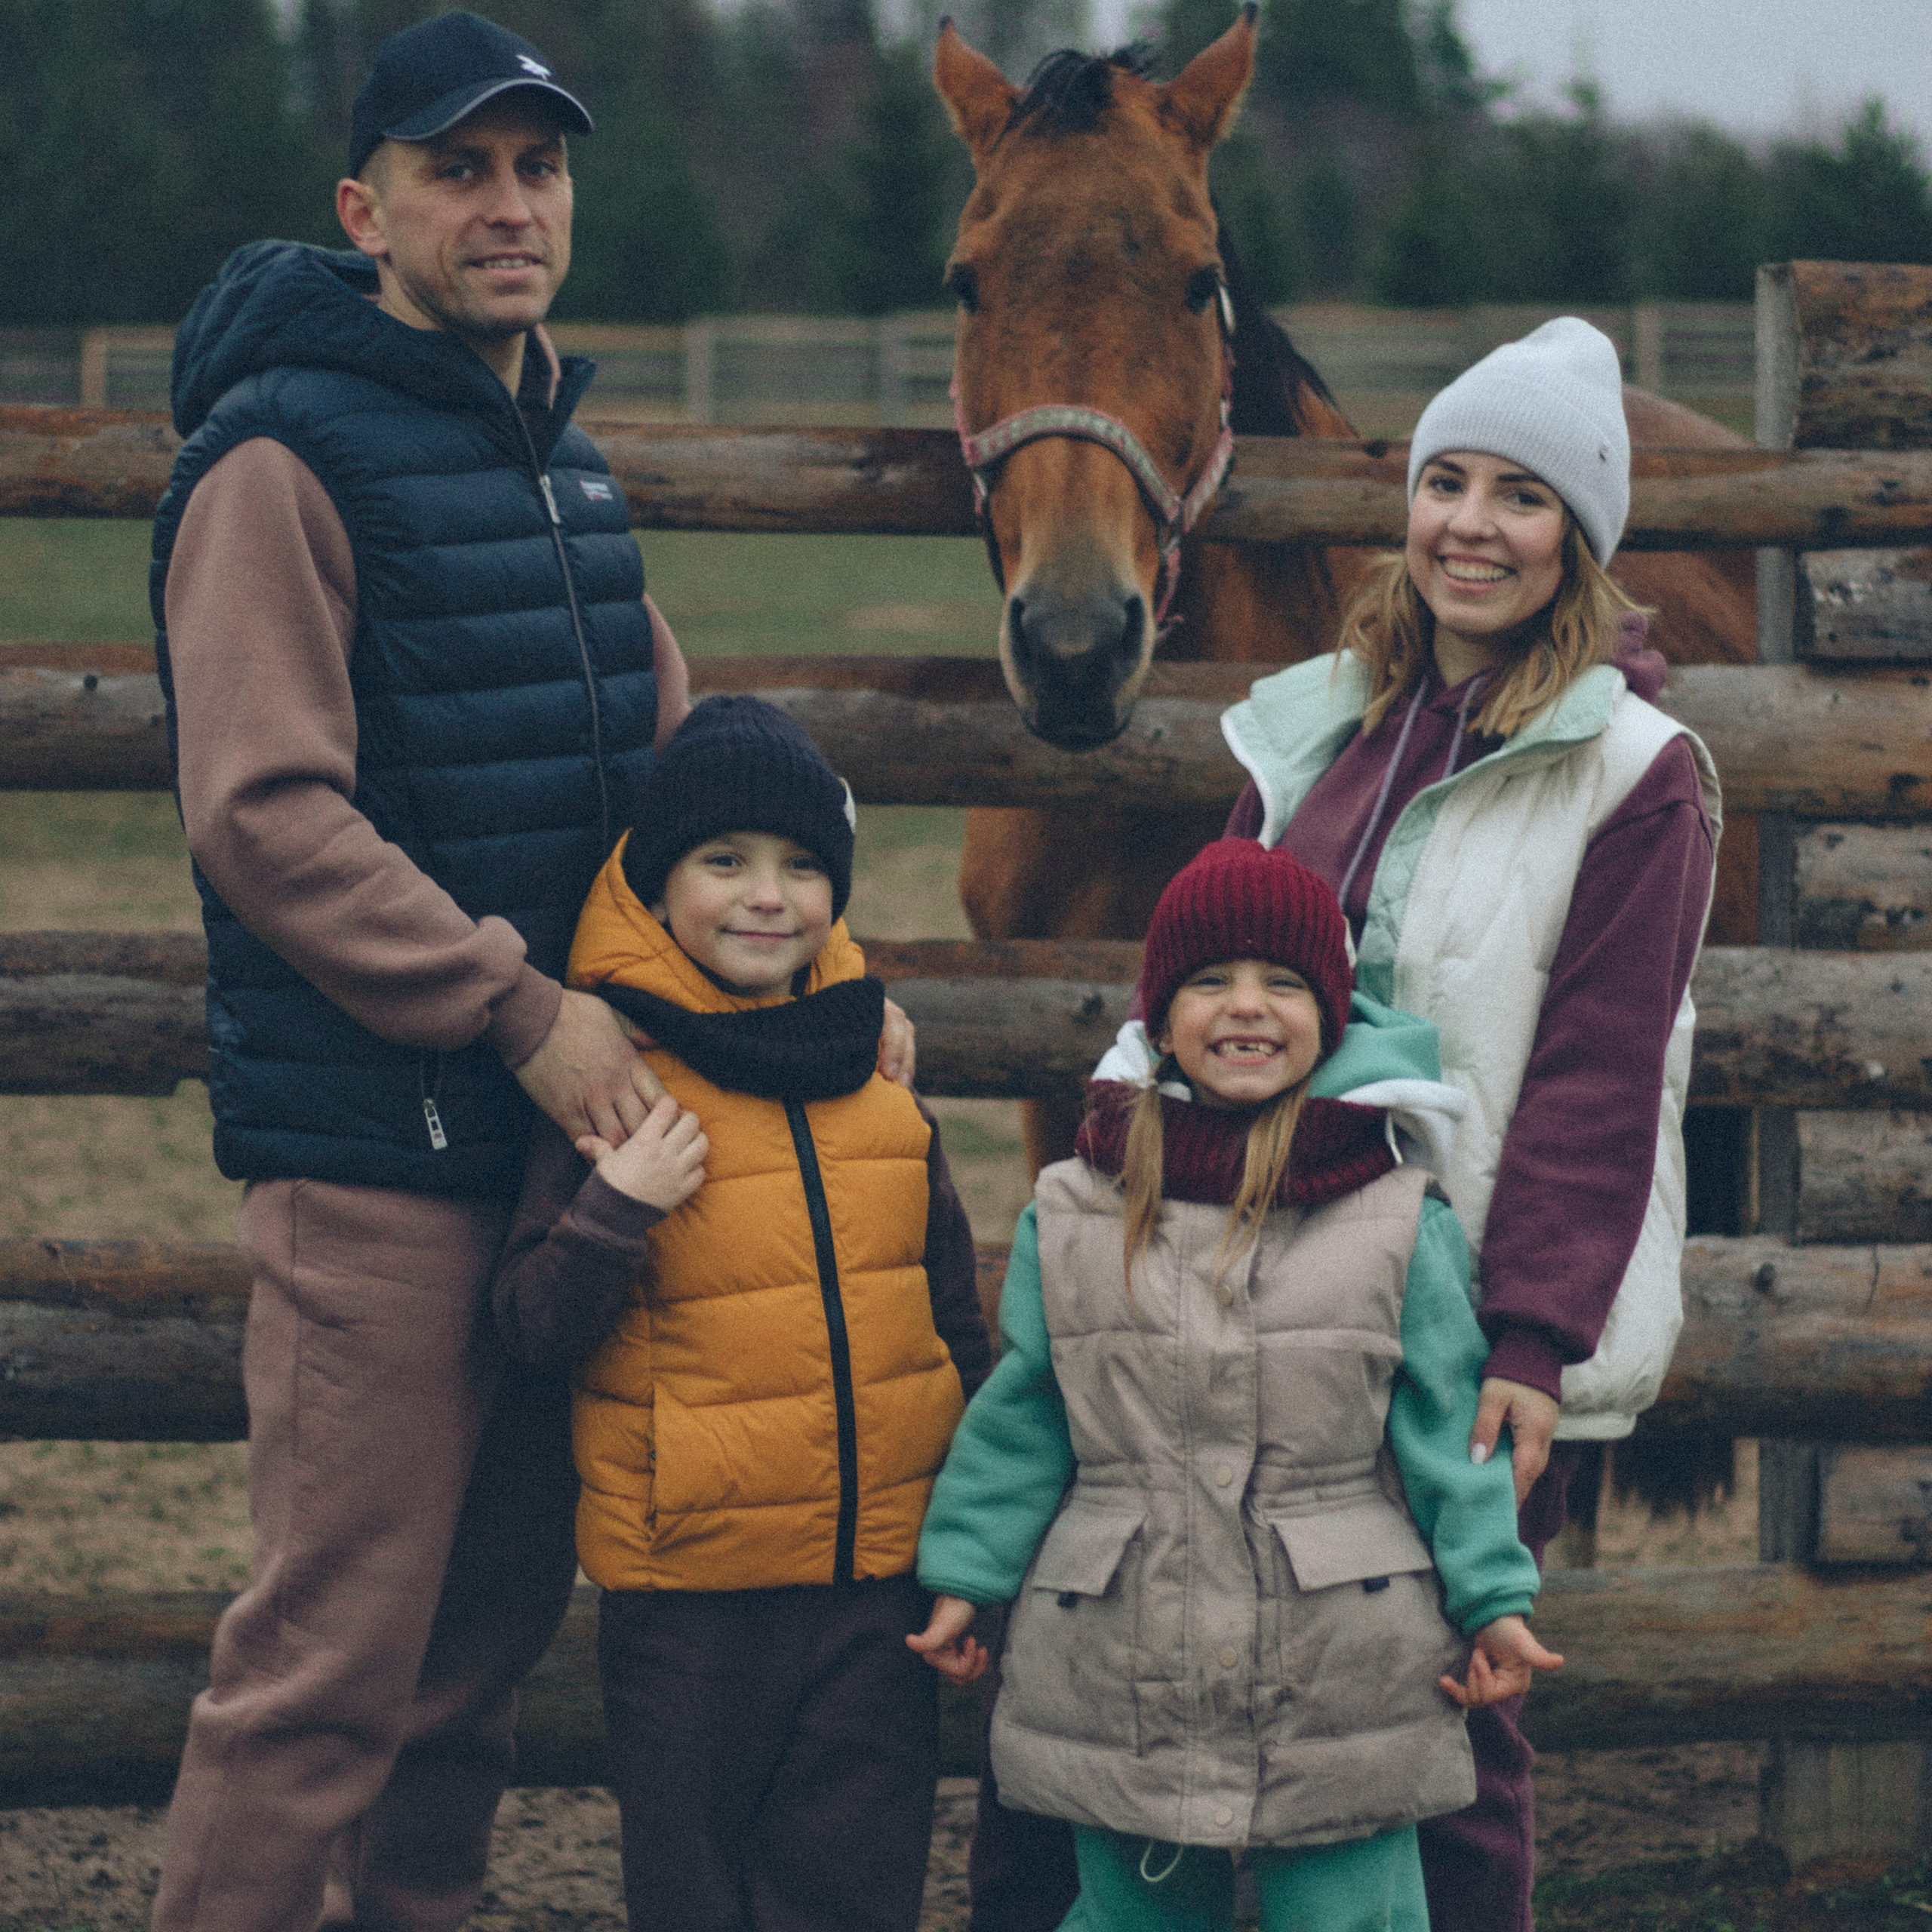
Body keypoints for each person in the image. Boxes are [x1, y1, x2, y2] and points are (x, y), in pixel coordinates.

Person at [149, 15, 691, 1928]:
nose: (509, 205)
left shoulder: (564, 470)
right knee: (324, 1675)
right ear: (364, 208)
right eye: (459, 170)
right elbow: (265, 813)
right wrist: (519, 1009)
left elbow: (669, 777)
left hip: (544, 1177)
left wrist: (807, 965)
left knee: (470, 1671)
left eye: (538, 168)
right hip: (377, 1163)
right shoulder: (276, 463)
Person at [1211, 316, 1722, 1931]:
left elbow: (1599, 1076)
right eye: (1447, 482)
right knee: (1254, 1675)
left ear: (1579, 538)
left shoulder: (1633, 774)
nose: (1471, 526)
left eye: (1521, 495)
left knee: (1446, 1709)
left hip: (1463, 1333)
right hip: (1272, 1290)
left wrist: (1530, 1340)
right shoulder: (1318, 725)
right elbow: (1203, 973)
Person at [907, 836, 1558, 1932]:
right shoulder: (1076, 1210)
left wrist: (1492, 1599)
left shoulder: (1398, 1217)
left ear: (1332, 1017)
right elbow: (1029, 1411)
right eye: (1210, 979)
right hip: (1128, 1650)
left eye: (1283, 982)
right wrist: (969, 1571)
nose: (1246, 1006)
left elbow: (1448, 1434)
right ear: (1160, 1019)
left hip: (1340, 1662)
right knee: (1135, 1916)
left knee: (1350, 1915)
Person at [491, 694, 993, 1932]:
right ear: (659, 885)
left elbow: (951, 1322)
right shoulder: (616, 1084)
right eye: (725, 861)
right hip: (689, 1598)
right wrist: (614, 1209)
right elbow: (531, 1327)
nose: (768, 897)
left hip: (877, 1590)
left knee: (857, 1887)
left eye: (803, 867)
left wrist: (977, 1541)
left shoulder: (880, 1080)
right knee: (694, 1892)